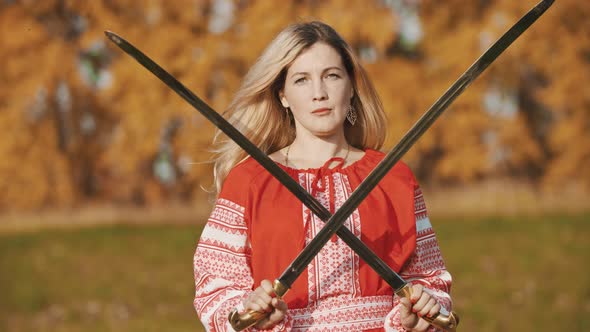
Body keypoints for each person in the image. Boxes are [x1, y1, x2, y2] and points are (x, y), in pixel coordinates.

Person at [193, 21, 453, 331]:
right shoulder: (249, 180)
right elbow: (214, 283)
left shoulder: (393, 176)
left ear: (351, 85)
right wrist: (248, 312)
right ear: (283, 95)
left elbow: (428, 275)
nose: (319, 93)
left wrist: (421, 311)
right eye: (302, 80)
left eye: (331, 75)